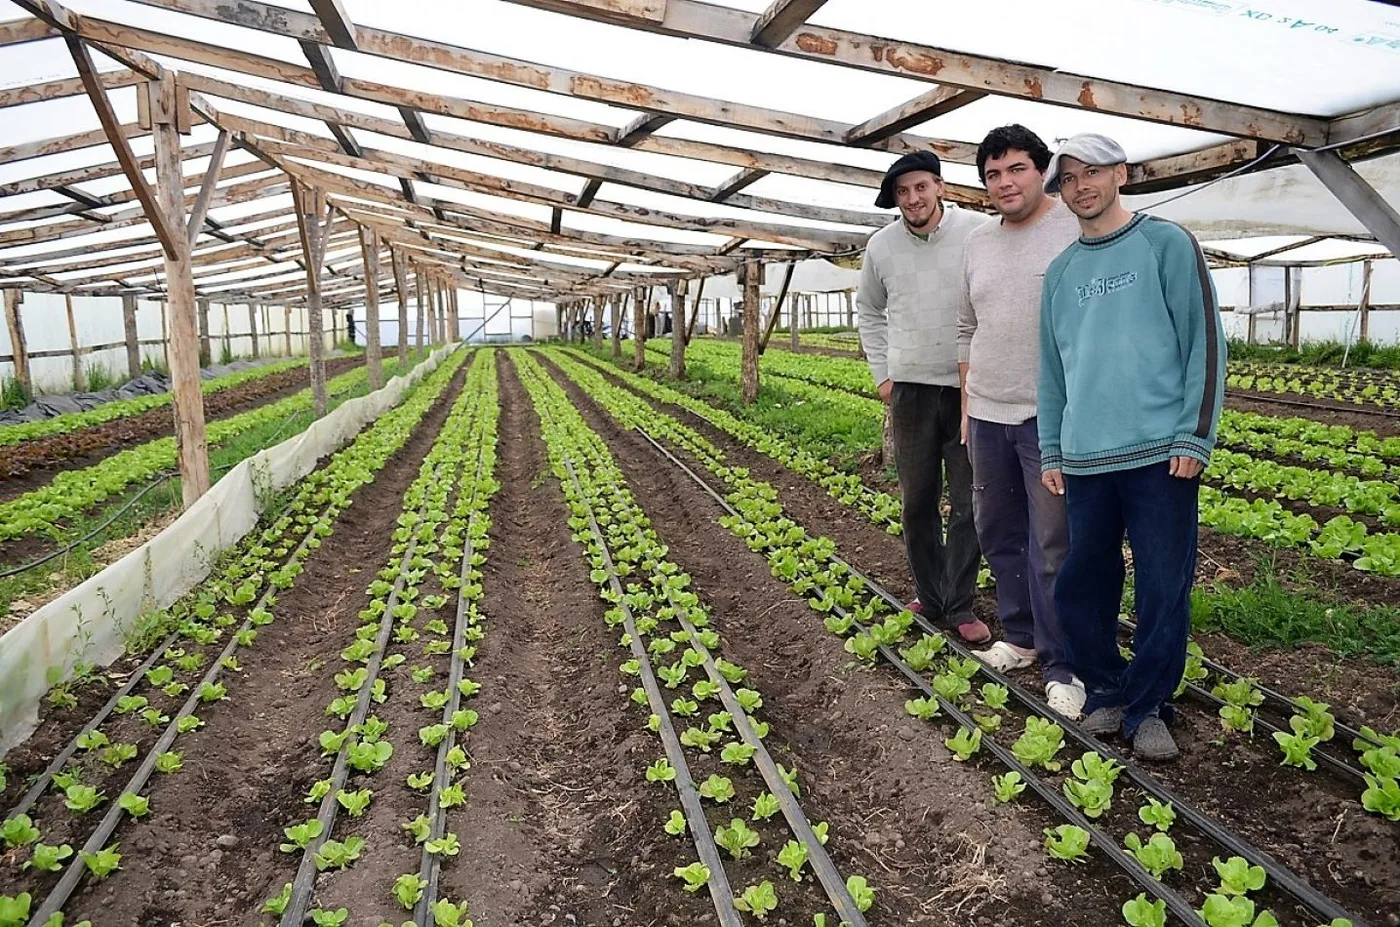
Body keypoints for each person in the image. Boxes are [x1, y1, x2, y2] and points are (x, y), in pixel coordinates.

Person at [1038, 133, 1226, 761]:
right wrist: (1052, 449)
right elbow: (1053, 370)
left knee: (1162, 586)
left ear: (1120, 173)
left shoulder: (1165, 244)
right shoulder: (1061, 272)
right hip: (1086, 456)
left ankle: (1149, 706)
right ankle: (1107, 691)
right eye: (1068, 179)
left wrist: (1194, 433)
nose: (1081, 186)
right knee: (1082, 584)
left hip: (1159, 454)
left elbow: (1204, 340)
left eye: (1091, 172)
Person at [956, 125, 1084, 718]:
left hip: (1047, 416)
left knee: (1053, 541)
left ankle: (1066, 663)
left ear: (1042, 171)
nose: (1004, 183)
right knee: (998, 531)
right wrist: (966, 404)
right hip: (985, 411)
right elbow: (966, 328)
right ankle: (1021, 637)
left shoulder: (1074, 228)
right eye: (992, 174)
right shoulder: (979, 242)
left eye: (1016, 169)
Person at [857, 151, 993, 644]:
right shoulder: (881, 246)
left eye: (919, 187)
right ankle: (929, 595)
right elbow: (869, 312)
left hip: (966, 388)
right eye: (901, 192)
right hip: (909, 390)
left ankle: (959, 604)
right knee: (916, 500)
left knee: (967, 502)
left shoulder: (978, 231)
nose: (912, 199)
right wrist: (884, 376)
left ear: (939, 186)